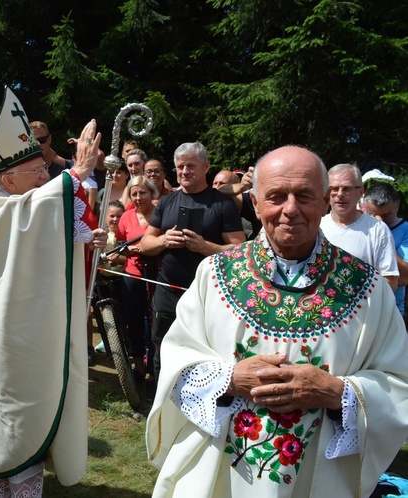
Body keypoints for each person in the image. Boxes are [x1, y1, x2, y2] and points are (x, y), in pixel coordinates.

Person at [145, 145, 408, 497]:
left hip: (321, 479)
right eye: (276, 196)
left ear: (325, 201)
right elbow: (177, 361)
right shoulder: (214, 273)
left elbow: (398, 383)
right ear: (254, 204)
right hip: (221, 473)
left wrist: (337, 392)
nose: (290, 209)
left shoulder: (369, 288)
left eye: (304, 195)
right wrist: (229, 378)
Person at [0, 86, 103, 498]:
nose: (46, 177)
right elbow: (33, 213)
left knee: (25, 426)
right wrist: (75, 174)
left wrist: (80, 238)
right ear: (7, 177)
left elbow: (36, 236)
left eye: (46, 170)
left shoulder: (16, 205)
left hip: (22, 336)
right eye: (37, 171)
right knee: (3, 428)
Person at [141, 142, 245, 381]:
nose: (184, 171)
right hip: (168, 292)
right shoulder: (167, 202)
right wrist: (164, 240)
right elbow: (146, 244)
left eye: (190, 166)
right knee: (163, 347)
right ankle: (160, 402)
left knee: (204, 353)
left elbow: (240, 250)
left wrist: (206, 247)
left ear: (206, 166)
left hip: (208, 295)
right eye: (180, 167)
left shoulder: (222, 203)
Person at [320, 163, 398, 291]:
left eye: (346, 189)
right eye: (334, 189)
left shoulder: (377, 230)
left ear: (360, 192)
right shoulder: (317, 227)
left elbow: (390, 281)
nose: (339, 194)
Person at [114, 175, 160, 381]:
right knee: (133, 320)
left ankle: (155, 367)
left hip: (156, 275)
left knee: (154, 322)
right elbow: (122, 245)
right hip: (132, 274)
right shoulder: (126, 217)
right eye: (134, 193)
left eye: (143, 192)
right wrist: (134, 250)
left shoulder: (159, 214)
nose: (139, 197)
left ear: (152, 193)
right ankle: (139, 368)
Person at [364, 182, 408, 319]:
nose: (380, 221)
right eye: (373, 215)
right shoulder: (360, 227)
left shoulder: (405, 230)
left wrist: (385, 240)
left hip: (392, 314)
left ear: (397, 205)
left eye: (386, 215)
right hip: (362, 311)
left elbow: (404, 278)